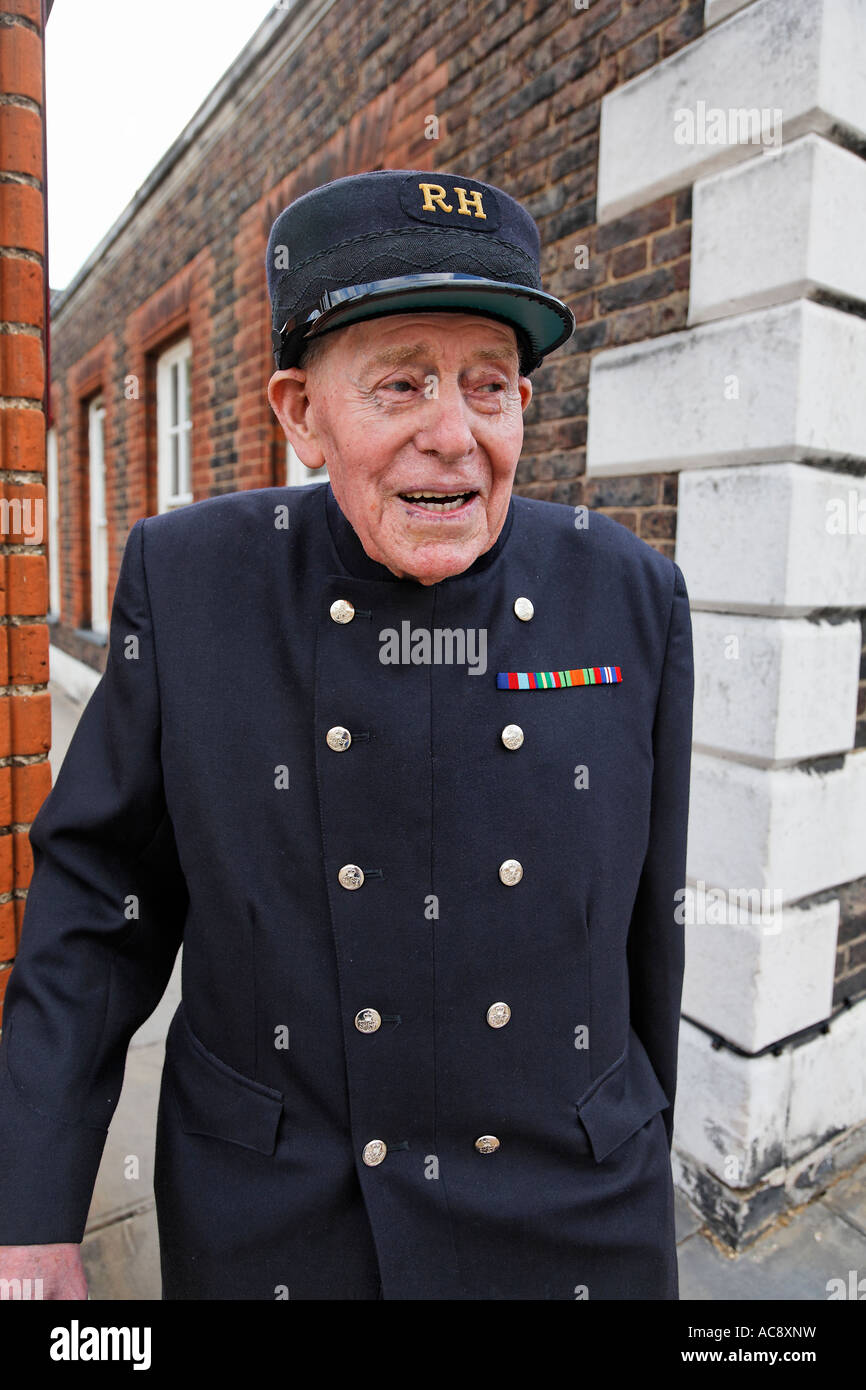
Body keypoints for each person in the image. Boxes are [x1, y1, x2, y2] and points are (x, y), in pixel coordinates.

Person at [0, 169, 693, 1300]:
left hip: (569, 1219)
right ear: (299, 414)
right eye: (401, 384)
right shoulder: (189, 586)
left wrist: (639, 1140)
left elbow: (649, 933)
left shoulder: (629, 595)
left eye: (488, 385)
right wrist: (29, 1215)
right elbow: (97, 907)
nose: (452, 435)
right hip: (279, 1225)